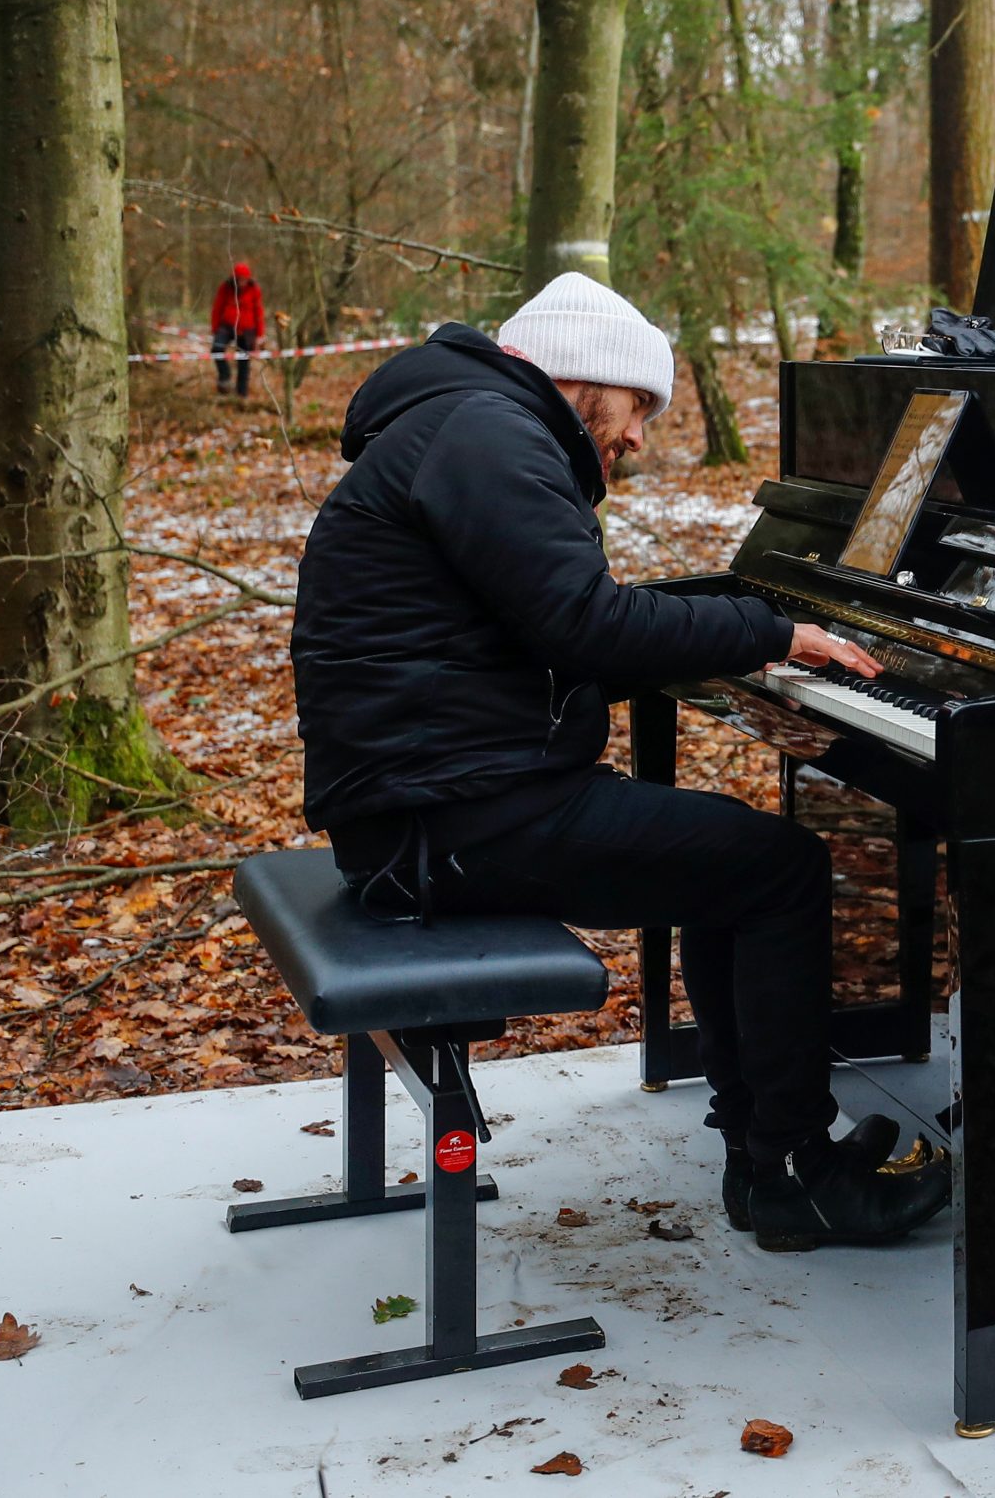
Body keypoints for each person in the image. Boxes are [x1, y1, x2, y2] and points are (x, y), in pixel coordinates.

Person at [287, 271, 952, 1252]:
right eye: (639, 404)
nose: (638, 435)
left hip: (431, 796)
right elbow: (586, 623)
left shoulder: (463, 426)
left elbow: (549, 624)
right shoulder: (488, 436)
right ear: (582, 377)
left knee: (730, 867)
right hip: (441, 821)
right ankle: (795, 1174)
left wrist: (733, 644)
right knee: (775, 870)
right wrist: (773, 636)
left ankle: (765, 1148)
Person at [211, 261, 266, 398]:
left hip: (247, 329)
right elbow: (217, 308)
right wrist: (215, 328)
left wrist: (260, 335)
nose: (241, 282)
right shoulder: (225, 288)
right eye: (239, 279)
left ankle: (242, 393)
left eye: (244, 279)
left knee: (244, 361)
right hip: (227, 326)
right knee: (216, 349)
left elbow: (258, 312)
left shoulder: (254, 289)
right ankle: (225, 376)